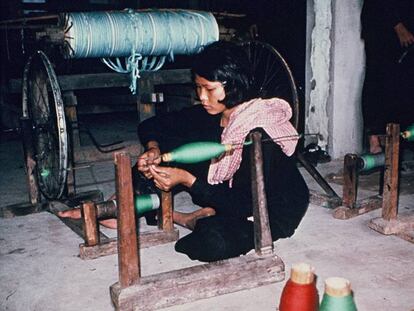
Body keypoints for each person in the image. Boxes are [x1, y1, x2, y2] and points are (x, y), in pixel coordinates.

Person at [136, 40, 309, 262]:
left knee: (211, 242)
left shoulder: (258, 134)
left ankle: (184, 218)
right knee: (153, 160)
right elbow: (152, 125)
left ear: (233, 84)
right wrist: (153, 149)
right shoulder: (214, 113)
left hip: (269, 209)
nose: (202, 97)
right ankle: (167, 209)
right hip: (231, 194)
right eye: (198, 88)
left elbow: (244, 203)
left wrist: (188, 181)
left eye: (209, 89)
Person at [361, 0, 414, 154]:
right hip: (382, 23)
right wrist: (397, 25)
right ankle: (374, 139)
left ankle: (397, 143)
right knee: (377, 79)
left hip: (404, 19)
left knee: (401, 84)